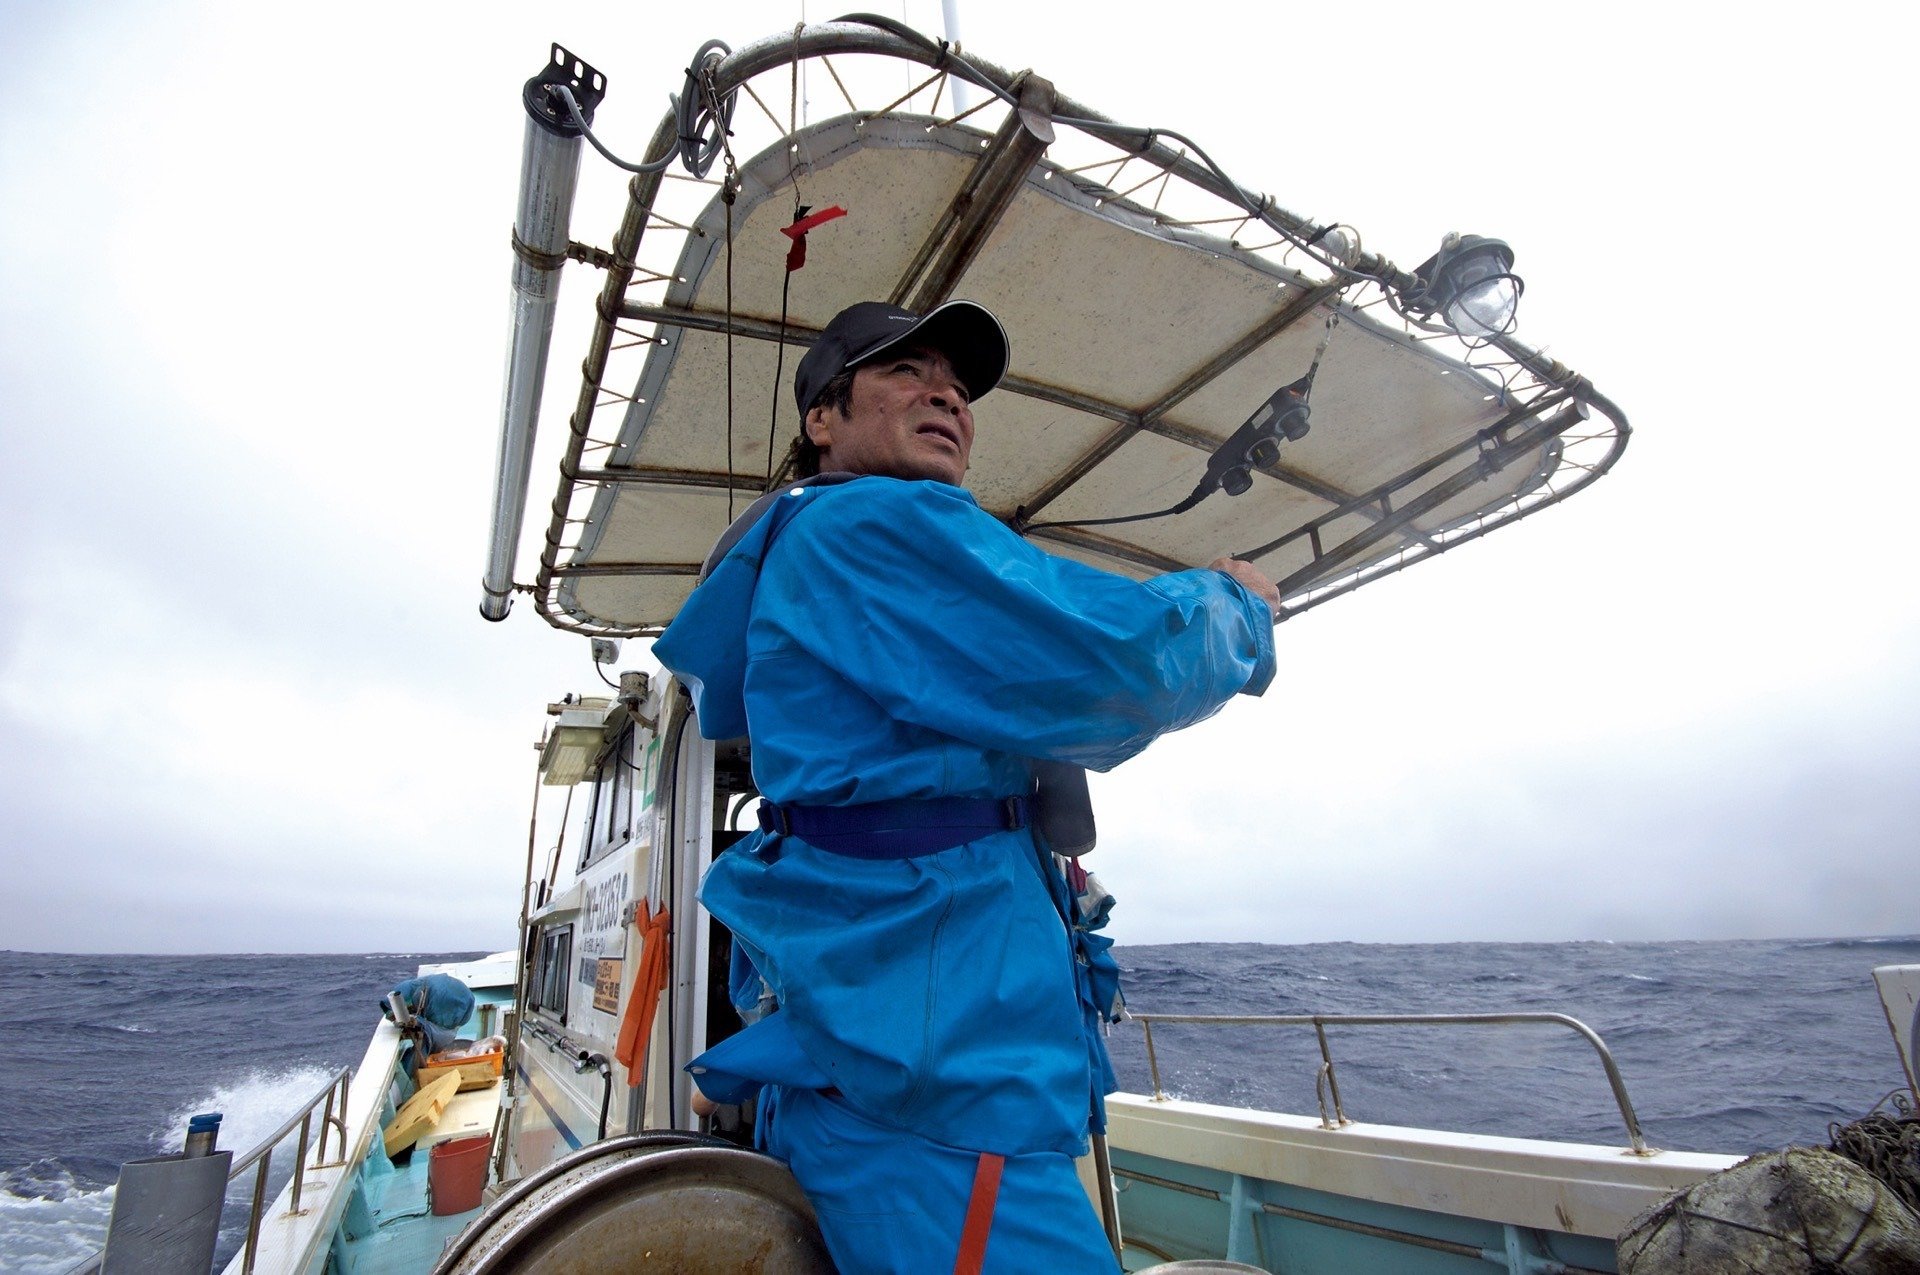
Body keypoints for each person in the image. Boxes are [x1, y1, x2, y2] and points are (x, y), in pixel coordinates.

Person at [653, 299, 1279, 1273]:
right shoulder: (870, 524)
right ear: (824, 420)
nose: (944, 392)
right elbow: (1110, 663)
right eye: (904, 373)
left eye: (955, 383)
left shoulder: (828, 541)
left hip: (907, 1055)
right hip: (935, 1086)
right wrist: (1235, 609)